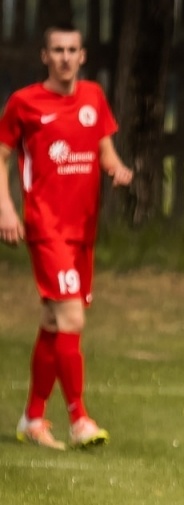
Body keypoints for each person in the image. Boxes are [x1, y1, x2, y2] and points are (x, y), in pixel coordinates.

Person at [0, 23, 133, 450]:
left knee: (52, 323)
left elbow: (105, 150)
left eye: (71, 49)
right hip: (47, 227)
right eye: (56, 50)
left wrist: (117, 169)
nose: (64, 57)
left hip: (82, 231)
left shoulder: (94, 97)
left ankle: (33, 419)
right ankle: (79, 418)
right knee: (73, 320)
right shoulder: (24, 103)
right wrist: (5, 210)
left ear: (83, 56)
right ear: (44, 56)